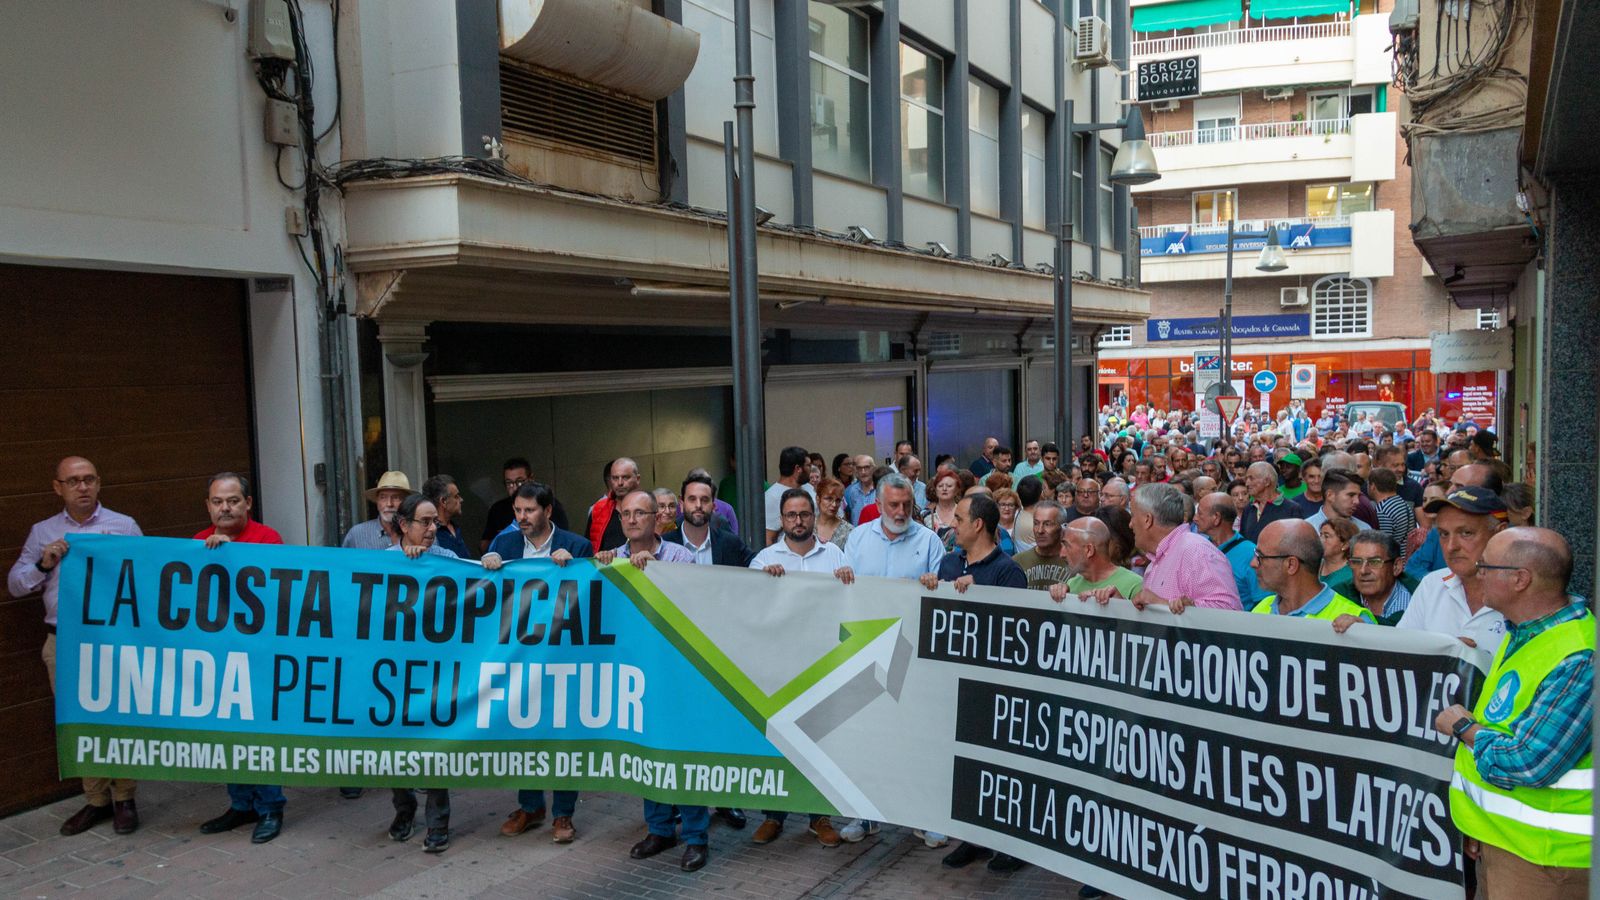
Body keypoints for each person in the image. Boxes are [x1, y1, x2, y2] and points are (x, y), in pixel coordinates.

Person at [1435, 527, 1590, 898]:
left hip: (1546, 862)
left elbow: (1529, 762)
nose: (1476, 571)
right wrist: (1484, 827)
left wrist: (1463, 726)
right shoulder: (1523, 633)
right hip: (1507, 845)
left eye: (1486, 565)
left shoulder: (1580, 657)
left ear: (1521, 579)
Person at [9, 457, 144, 837]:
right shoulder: (43, 532)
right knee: (79, 721)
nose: (82, 487)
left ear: (99, 483)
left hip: (114, 640)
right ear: (58, 487)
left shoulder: (125, 526)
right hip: (64, 641)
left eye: (88, 480)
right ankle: (96, 800)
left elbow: (147, 577)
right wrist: (43, 562)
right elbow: (16, 584)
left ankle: (125, 798)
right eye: (73, 481)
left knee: (118, 718)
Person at [596, 492, 707, 871]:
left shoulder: (678, 557)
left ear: (656, 517)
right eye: (625, 513)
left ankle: (695, 837)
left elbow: (691, 604)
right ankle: (659, 830)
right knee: (646, 751)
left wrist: (654, 573)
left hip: (675, 670)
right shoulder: (611, 557)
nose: (631, 519)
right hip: (635, 673)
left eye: (639, 512)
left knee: (680, 751)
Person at [917, 494, 1027, 875]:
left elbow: (1013, 631)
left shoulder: (1008, 572)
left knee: (998, 766)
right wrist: (931, 586)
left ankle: (1008, 843)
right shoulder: (948, 563)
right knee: (964, 765)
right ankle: (973, 836)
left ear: (978, 525)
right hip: (954, 681)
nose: (954, 525)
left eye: (960, 518)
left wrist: (977, 590)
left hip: (993, 686)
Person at [835, 473, 944, 843]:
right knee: (866, 737)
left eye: (906, 506)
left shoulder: (929, 541)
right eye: (893, 505)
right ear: (878, 505)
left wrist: (935, 583)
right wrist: (843, 576)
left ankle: (924, 815)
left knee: (918, 737)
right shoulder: (858, 539)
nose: (900, 512)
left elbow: (942, 597)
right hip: (865, 649)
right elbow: (843, 593)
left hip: (913, 652)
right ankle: (863, 815)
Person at [480, 482, 591, 844]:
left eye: (529, 511)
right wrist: (490, 567)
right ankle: (530, 806)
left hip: (562, 657)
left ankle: (563, 814)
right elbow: (489, 598)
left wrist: (574, 568)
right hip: (518, 657)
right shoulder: (505, 545)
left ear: (547, 511)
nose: (522, 518)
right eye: (517, 511)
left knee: (562, 734)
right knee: (521, 731)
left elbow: (592, 601)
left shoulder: (576, 546)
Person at [748, 489, 847, 848]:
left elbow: (853, 604)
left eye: (804, 514)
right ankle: (774, 816)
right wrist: (763, 585)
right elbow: (750, 610)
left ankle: (819, 816)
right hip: (779, 667)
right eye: (791, 515)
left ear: (814, 515)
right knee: (778, 743)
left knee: (819, 742)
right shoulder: (763, 560)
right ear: (782, 519)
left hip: (822, 664)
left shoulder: (834, 554)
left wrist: (850, 581)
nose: (799, 521)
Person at [192, 473, 288, 844]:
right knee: (227, 732)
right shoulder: (199, 543)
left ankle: (270, 806)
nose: (225, 507)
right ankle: (241, 803)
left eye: (233, 500)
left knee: (260, 733)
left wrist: (231, 552)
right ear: (209, 506)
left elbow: (276, 589)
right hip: (218, 659)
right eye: (218, 501)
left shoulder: (269, 538)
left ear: (248, 503)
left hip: (260, 656)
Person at [385, 494, 457, 853]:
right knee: (394, 746)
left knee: (434, 745)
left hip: (436, 672)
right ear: (403, 525)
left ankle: (438, 823)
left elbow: (480, 589)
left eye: (436, 523)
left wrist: (490, 562)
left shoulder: (449, 560)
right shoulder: (380, 564)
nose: (432, 529)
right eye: (425, 523)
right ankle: (404, 808)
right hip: (392, 674)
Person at [1079, 484, 1241, 612]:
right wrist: (1123, 606)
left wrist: (1163, 604)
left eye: (1134, 516)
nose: (1130, 524)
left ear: (1148, 520)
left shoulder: (1196, 551)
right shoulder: (1158, 559)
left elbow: (1229, 611)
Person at [1395, 488, 1510, 651]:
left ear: (1500, 533)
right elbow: (1401, 651)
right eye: (1443, 534)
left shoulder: (1521, 592)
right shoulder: (1433, 584)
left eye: (1466, 533)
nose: (1451, 547)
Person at [1249, 520, 1374, 623]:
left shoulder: (1354, 621)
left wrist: (1361, 635)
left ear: (1291, 565)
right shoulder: (1263, 608)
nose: (1253, 563)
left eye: (1260, 557)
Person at [479, 458, 569, 553]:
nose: (514, 487)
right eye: (509, 483)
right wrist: (501, 542)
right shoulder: (497, 509)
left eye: (520, 481)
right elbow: (484, 546)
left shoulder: (549, 504)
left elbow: (564, 541)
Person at [664, 474, 754, 568]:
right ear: (681, 505)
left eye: (705, 500)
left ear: (713, 506)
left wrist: (769, 566)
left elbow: (759, 563)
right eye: (692, 499)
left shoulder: (730, 544)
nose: (698, 505)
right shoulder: (664, 545)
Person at [1046, 517, 1144, 603]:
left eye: (1067, 546)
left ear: (1089, 550)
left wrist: (1120, 605)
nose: (1061, 554)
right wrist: (1058, 600)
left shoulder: (1135, 585)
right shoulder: (1071, 584)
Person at [1194, 492, 1262, 608]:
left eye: (1200, 514)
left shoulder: (1250, 554)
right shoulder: (1198, 548)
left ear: (1216, 518)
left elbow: (1263, 602)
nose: (1195, 518)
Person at [1341, 530, 1412, 625]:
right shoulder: (1339, 596)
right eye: (1357, 562)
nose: (1363, 571)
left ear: (1396, 566)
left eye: (1374, 562)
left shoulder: (1420, 601)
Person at [343, 470, 414, 549]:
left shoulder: (418, 532)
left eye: (396, 498)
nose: (389, 504)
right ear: (377, 501)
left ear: (407, 501)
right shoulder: (357, 534)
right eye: (383, 497)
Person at [586, 457, 641, 552]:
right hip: (606, 565)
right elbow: (589, 548)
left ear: (637, 479)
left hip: (644, 564)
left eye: (625, 477)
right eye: (615, 478)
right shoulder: (598, 510)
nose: (620, 483)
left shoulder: (651, 507)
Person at [1012, 501, 1071, 589]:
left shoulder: (1074, 562)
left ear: (1062, 528)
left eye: (1047, 524)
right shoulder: (1017, 562)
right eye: (1036, 523)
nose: (1040, 530)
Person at [766, 446, 817, 543]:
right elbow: (769, 538)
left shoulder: (808, 488)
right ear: (798, 468)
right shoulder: (772, 497)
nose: (811, 469)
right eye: (808, 465)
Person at [1238, 461, 1299, 544]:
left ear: (1267, 482)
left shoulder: (1292, 509)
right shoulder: (1249, 508)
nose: (1247, 483)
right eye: (1246, 479)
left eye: (1251, 478)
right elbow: (1244, 541)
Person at [1369, 467, 1416, 557]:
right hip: (1405, 559)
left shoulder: (1383, 510)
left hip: (1393, 562)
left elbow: (1384, 544)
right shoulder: (1402, 503)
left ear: (1373, 487)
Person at [422, 473, 471, 558]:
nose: (461, 500)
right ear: (443, 501)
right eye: (456, 496)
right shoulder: (430, 533)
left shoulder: (455, 527)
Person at [1318, 516, 1359, 600]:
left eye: (1326, 536)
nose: (1320, 540)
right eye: (1320, 535)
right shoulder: (1313, 566)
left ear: (1345, 544)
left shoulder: (1352, 575)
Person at [922, 469, 962, 538]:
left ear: (957, 489)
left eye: (949, 486)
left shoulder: (963, 513)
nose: (944, 489)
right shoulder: (925, 514)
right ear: (935, 489)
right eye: (940, 486)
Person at [816, 477, 853, 547]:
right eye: (829, 499)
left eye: (838, 500)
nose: (834, 504)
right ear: (818, 499)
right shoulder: (808, 525)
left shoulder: (848, 530)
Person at [844, 453, 877, 525]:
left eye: (867, 467)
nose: (863, 472)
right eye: (859, 468)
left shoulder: (879, 489)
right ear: (856, 470)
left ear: (874, 468)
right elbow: (847, 514)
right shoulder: (851, 491)